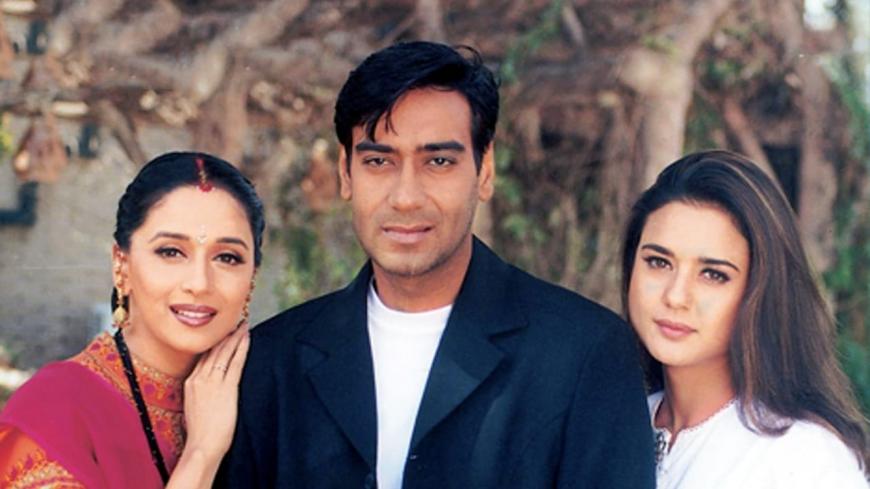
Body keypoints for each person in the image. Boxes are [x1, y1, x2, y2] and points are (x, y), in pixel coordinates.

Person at [217, 41, 655, 488]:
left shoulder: (583, 352)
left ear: (485, 171)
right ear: (346, 173)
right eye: (378, 161)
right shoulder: (272, 361)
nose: (406, 197)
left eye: (439, 161)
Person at [0, 151, 264, 488]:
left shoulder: (273, 401)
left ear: (252, 276)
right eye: (171, 252)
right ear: (121, 264)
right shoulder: (54, 410)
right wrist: (201, 453)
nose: (199, 283)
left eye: (227, 257)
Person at [622, 149, 869, 488]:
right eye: (659, 262)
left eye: (713, 274)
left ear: (761, 290)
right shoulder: (610, 423)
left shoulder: (804, 458)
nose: (675, 296)